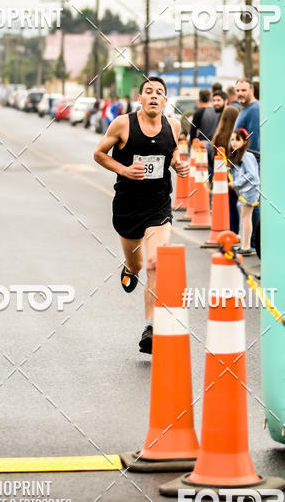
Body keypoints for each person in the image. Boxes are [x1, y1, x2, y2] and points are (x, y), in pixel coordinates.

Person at [93, 76, 189, 355]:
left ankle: (151, 326)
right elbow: (99, 153)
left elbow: (170, 153)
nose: (154, 96)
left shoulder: (173, 125)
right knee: (136, 265)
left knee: (155, 263)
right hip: (127, 206)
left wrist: (179, 166)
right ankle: (128, 268)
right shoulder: (123, 124)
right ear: (140, 98)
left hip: (158, 205)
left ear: (165, 100)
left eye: (160, 92)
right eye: (149, 92)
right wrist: (123, 170)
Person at [228, 127, 259, 255]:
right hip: (245, 191)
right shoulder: (239, 155)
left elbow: (251, 174)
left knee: (246, 218)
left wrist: (235, 183)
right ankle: (244, 245)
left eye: (238, 139)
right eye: (232, 140)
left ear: (245, 141)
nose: (234, 142)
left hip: (250, 191)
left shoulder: (247, 156)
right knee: (244, 217)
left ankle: (245, 247)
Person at [212, 106, 240, 233]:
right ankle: (235, 231)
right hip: (233, 176)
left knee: (224, 205)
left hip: (219, 176)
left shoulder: (218, 137)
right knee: (234, 205)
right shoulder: (235, 138)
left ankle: (225, 229)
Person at [234, 79, 260, 153]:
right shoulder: (245, 108)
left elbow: (254, 140)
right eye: (238, 90)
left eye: (244, 90)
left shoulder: (254, 109)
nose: (240, 93)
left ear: (252, 91)